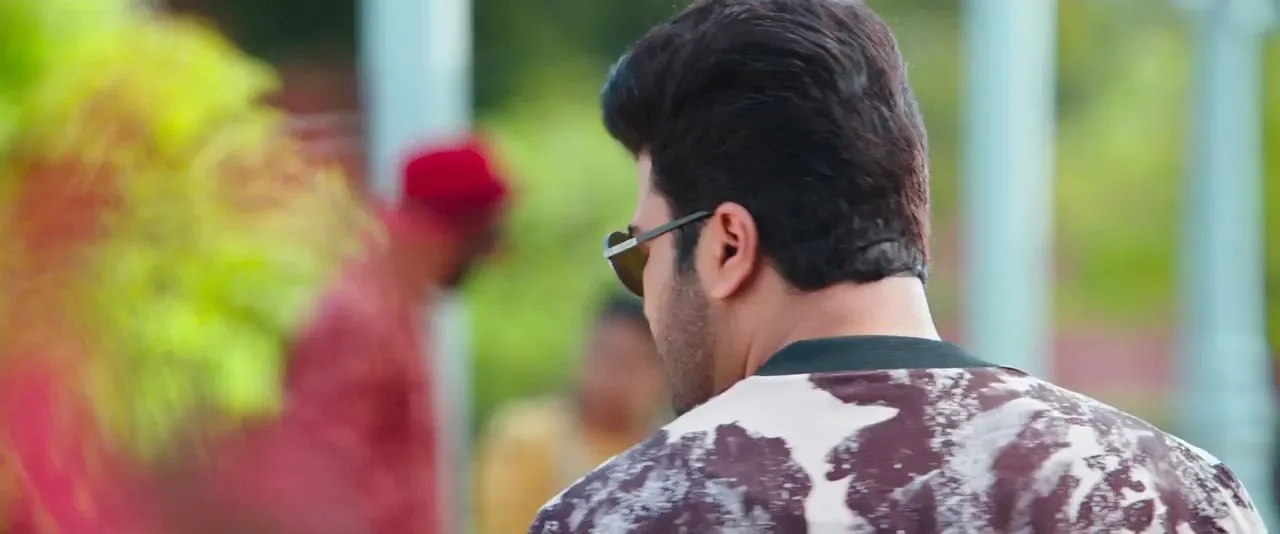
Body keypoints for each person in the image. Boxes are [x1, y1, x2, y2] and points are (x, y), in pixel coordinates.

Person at [529, 0, 1265, 531]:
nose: (647, 297)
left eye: (643, 254)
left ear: (727, 246)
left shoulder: (623, 512)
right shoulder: (1170, 493)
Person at [156, 138, 509, 534]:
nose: (488, 258)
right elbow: (317, 478)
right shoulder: (360, 317)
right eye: (483, 239)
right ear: (445, 231)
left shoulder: (395, 304)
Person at [476, 294, 664, 533]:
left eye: (631, 364)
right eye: (607, 356)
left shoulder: (673, 459)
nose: (613, 375)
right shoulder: (527, 439)